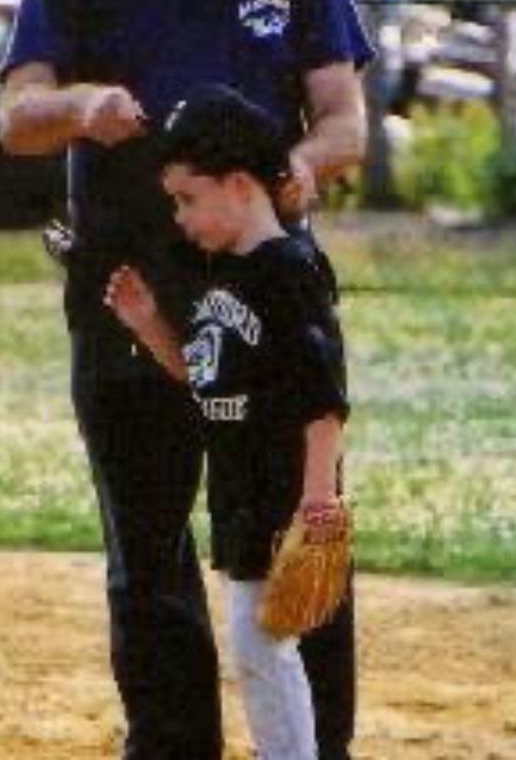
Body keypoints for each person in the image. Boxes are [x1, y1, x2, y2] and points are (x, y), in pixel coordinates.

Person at [0, 0, 373, 760]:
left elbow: (345, 119)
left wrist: (301, 167)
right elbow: (17, 116)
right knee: (149, 543)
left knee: (299, 534)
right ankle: (172, 746)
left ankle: (315, 748)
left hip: (264, 295)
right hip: (130, 294)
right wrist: (80, 107)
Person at [104, 85, 350, 760]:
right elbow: (201, 371)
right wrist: (148, 324)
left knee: (260, 645)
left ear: (239, 185)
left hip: (279, 494)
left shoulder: (288, 272)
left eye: (188, 198)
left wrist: (318, 497)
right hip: (237, 492)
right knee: (258, 645)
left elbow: (323, 397)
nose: (179, 217)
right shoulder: (223, 276)